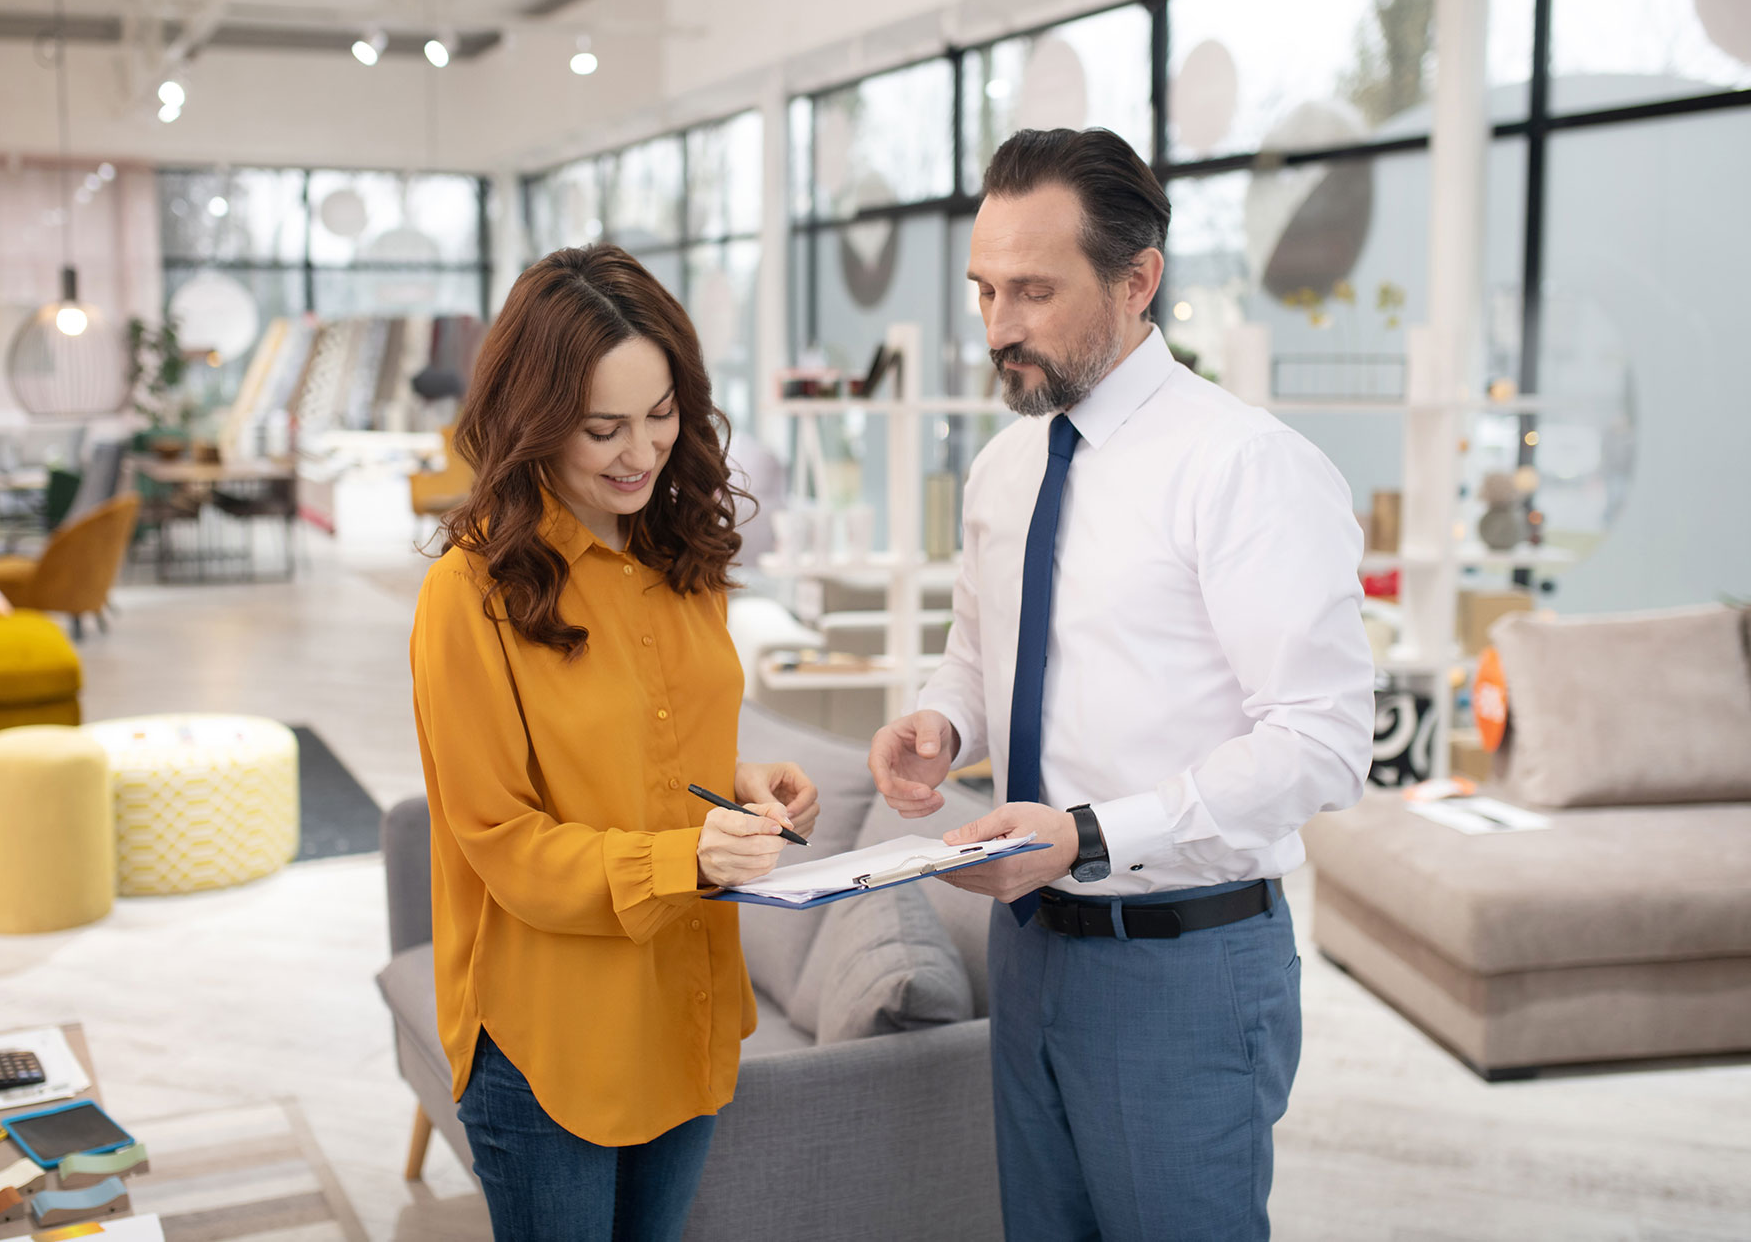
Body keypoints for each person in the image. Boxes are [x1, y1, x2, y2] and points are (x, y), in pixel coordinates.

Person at [868, 128, 1374, 1240]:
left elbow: (1324, 739)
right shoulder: (1006, 463)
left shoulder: (1243, 467)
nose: (998, 326)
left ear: (1136, 279)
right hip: (1030, 948)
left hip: (1182, 968)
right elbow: (977, 642)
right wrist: (939, 720)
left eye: (1034, 291)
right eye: (984, 289)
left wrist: (1089, 833)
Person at [411, 244, 820, 1241]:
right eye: (603, 427)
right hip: (551, 1040)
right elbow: (501, 839)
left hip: (682, 1009)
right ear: (532, 417)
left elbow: (634, 750)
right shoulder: (469, 595)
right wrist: (686, 854)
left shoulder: (683, 556)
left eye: (660, 414)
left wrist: (736, 782)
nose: (639, 451)